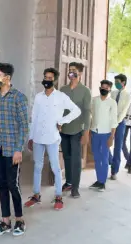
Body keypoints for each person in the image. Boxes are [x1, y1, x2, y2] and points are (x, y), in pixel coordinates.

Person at [0, 63, 28, 237]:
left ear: (7, 77)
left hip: (11, 150)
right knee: (1, 184)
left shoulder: (18, 98)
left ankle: (20, 219)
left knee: (13, 185)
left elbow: (24, 126)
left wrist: (18, 150)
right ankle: (5, 221)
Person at [25, 68, 81, 210]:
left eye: (50, 78)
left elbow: (77, 111)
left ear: (54, 80)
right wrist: (30, 137)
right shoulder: (38, 97)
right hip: (37, 137)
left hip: (52, 137)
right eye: (45, 77)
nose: (47, 80)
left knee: (55, 168)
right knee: (37, 167)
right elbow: (34, 117)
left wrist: (62, 121)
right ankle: (36, 195)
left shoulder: (61, 97)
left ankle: (58, 196)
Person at [59, 62, 92, 198]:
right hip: (64, 130)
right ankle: (69, 182)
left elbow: (87, 112)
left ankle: (75, 188)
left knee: (76, 159)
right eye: (70, 70)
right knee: (66, 156)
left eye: (74, 71)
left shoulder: (85, 91)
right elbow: (59, 108)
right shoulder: (63, 89)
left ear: (80, 74)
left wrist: (86, 132)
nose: (71, 73)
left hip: (77, 130)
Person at [89, 80, 117, 191]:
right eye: (102, 87)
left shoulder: (112, 103)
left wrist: (112, 137)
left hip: (106, 133)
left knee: (104, 158)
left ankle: (102, 182)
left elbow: (114, 121)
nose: (104, 89)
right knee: (96, 157)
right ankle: (98, 180)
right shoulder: (94, 100)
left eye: (106, 87)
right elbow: (91, 114)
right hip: (94, 132)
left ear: (109, 89)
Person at [109, 74, 131, 180]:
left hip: (120, 123)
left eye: (118, 82)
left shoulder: (128, 95)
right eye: (115, 82)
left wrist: (116, 123)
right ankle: (111, 160)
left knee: (118, 146)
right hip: (109, 122)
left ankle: (114, 170)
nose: (116, 84)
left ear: (123, 82)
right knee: (105, 143)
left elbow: (123, 111)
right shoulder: (113, 93)